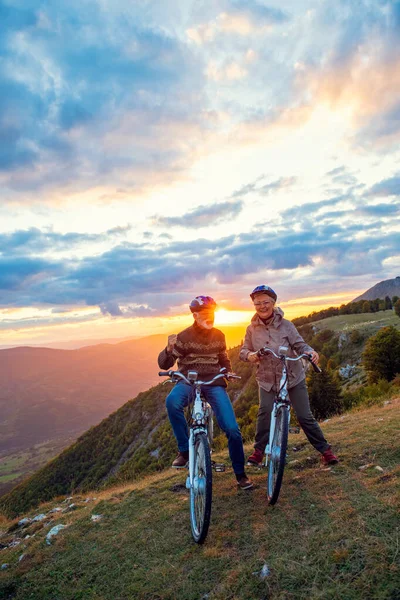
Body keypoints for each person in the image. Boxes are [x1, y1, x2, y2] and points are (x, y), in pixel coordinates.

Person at [158, 295, 253, 490]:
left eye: (212, 313)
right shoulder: (183, 337)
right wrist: (168, 350)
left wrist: (227, 370)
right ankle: (184, 451)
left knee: (233, 430)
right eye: (205, 314)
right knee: (172, 402)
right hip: (188, 381)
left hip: (213, 382)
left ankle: (240, 474)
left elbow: (223, 358)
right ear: (195, 315)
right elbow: (165, 363)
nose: (210, 317)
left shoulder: (219, 335)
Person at [239, 285, 339, 467]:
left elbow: (300, 345)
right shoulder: (251, 329)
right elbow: (243, 351)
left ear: (273, 303)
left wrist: (310, 351)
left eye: (265, 302)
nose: (262, 306)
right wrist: (250, 356)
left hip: (292, 377)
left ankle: (325, 450)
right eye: (257, 303)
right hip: (267, 380)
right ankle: (259, 450)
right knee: (264, 412)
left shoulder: (287, 325)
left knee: (304, 416)